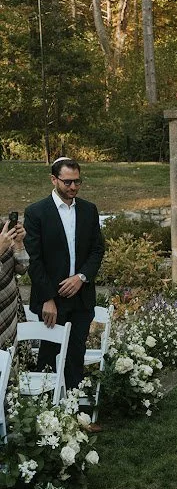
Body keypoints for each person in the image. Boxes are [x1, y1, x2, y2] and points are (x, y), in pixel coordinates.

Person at [23, 158, 105, 398]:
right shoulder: (36, 212)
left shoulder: (89, 210)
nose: (73, 187)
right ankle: (47, 418)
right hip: (51, 302)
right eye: (68, 182)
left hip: (81, 298)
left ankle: (75, 417)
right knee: (49, 357)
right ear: (54, 179)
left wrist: (81, 277)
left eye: (77, 181)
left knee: (76, 357)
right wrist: (48, 298)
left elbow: (97, 250)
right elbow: (34, 261)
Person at [0, 218, 29, 349]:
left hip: (8, 311)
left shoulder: (3, 235)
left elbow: (22, 268)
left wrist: (18, 243)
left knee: (9, 363)